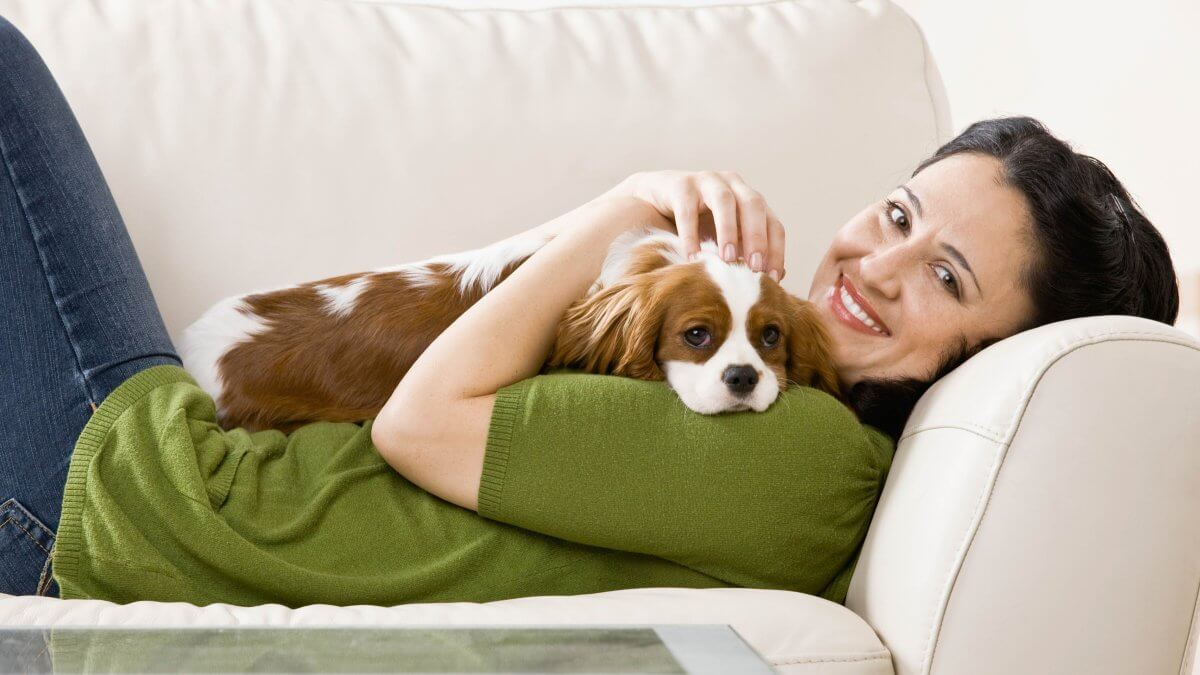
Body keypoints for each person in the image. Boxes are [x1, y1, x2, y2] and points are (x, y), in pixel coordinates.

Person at [0, 16, 1178, 604]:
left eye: (947, 279)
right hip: (153, 488)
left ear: (1005, 363)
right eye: (899, 212)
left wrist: (620, 211)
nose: (876, 263)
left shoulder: (803, 461)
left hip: (130, 501)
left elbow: (420, 426)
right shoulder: (791, 430)